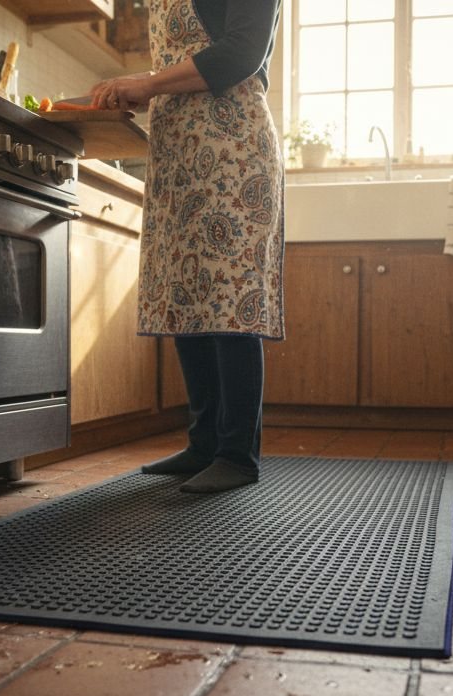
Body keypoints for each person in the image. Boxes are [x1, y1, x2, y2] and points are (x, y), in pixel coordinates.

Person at [90, 0, 284, 493]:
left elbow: (241, 52)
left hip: (232, 146)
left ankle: (237, 455)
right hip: (178, 150)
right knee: (185, 292)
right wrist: (143, 89)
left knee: (228, 298)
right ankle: (203, 444)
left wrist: (148, 82)